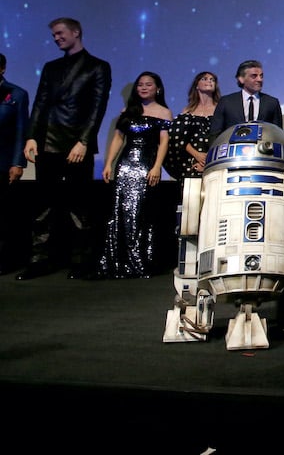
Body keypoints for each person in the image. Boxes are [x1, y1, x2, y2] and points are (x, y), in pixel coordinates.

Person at [19, 17, 112, 280]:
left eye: (60, 33)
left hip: (75, 143)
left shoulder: (97, 67)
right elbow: (40, 104)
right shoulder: (51, 67)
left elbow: (97, 106)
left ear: (76, 32)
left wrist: (83, 140)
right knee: (43, 205)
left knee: (78, 205)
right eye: (54, 35)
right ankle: (39, 260)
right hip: (48, 141)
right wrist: (32, 137)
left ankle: (83, 261)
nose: (57, 38)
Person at [97, 71, 171, 278]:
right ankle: (119, 261)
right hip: (125, 165)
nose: (144, 87)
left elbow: (163, 142)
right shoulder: (127, 111)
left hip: (146, 165)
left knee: (140, 212)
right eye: (140, 84)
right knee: (119, 211)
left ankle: (140, 260)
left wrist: (157, 167)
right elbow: (118, 139)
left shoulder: (164, 112)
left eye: (148, 84)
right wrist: (109, 164)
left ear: (157, 88)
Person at [0, 53, 30, 274]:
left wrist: (17, 162)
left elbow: (21, 129)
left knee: (4, 216)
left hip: (3, 162)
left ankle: (5, 260)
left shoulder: (15, 94)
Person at [164, 71, 219, 181]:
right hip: (191, 163)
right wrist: (197, 155)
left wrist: (208, 160)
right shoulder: (188, 111)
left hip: (215, 162)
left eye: (212, 80)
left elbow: (225, 136)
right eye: (204, 79)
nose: (209, 81)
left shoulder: (221, 108)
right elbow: (178, 138)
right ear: (197, 85)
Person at [210, 60, 283, 135]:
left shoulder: (272, 102)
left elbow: (278, 134)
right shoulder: (226, 102)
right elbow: (215, 134)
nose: (259, 79)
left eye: (261, 76)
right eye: (254, 76)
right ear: (241, 79)